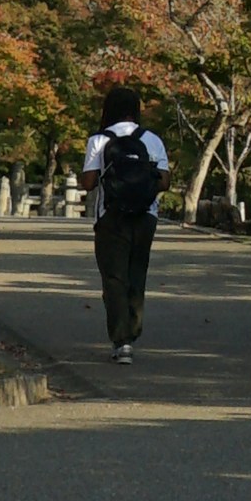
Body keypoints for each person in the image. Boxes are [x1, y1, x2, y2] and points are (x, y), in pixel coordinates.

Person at [81, 82, 169, 360]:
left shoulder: (99, 140)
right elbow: (165, 181)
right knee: (136, 273)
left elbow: (89, 183)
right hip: (146, 216)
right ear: (135, 111)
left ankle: (122, 342)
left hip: (111, 216)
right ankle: (133, 327)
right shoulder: (152, 140)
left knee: (114, 277)